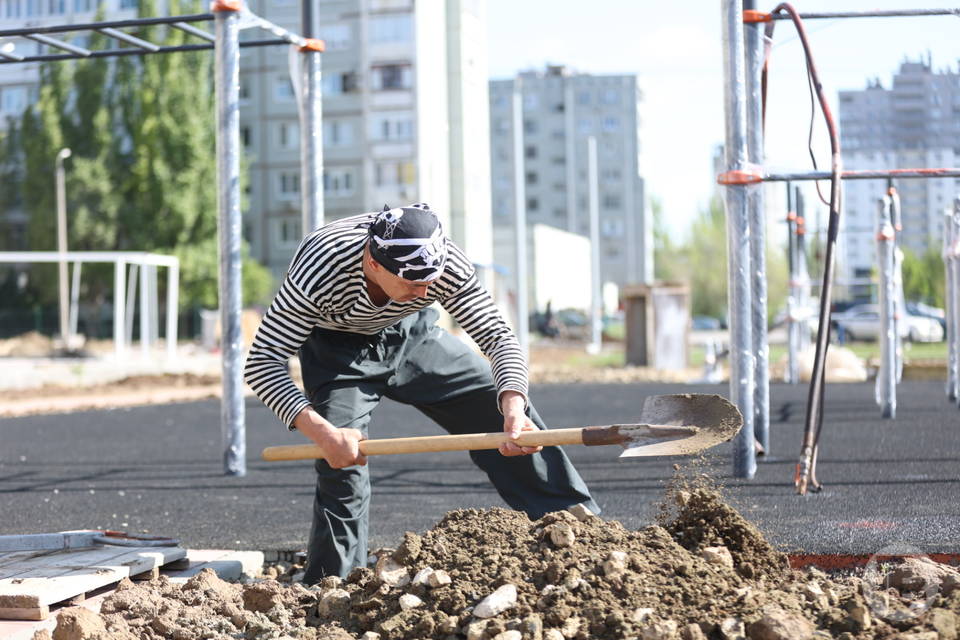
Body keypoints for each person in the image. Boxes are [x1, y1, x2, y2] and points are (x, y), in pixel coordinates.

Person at [244, 203, 599, 583]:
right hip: (337, 353)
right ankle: (335, 587)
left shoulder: (442, 262)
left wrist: (514, 406)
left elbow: (498, 336)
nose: (427, 290)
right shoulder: (320, 268)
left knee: (509, 420)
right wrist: (324, 434)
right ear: (376, 264)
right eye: (415, 284)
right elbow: (263, 362)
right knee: (343, 464)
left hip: (414, 336)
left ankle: (582, 535)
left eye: (432, 279)